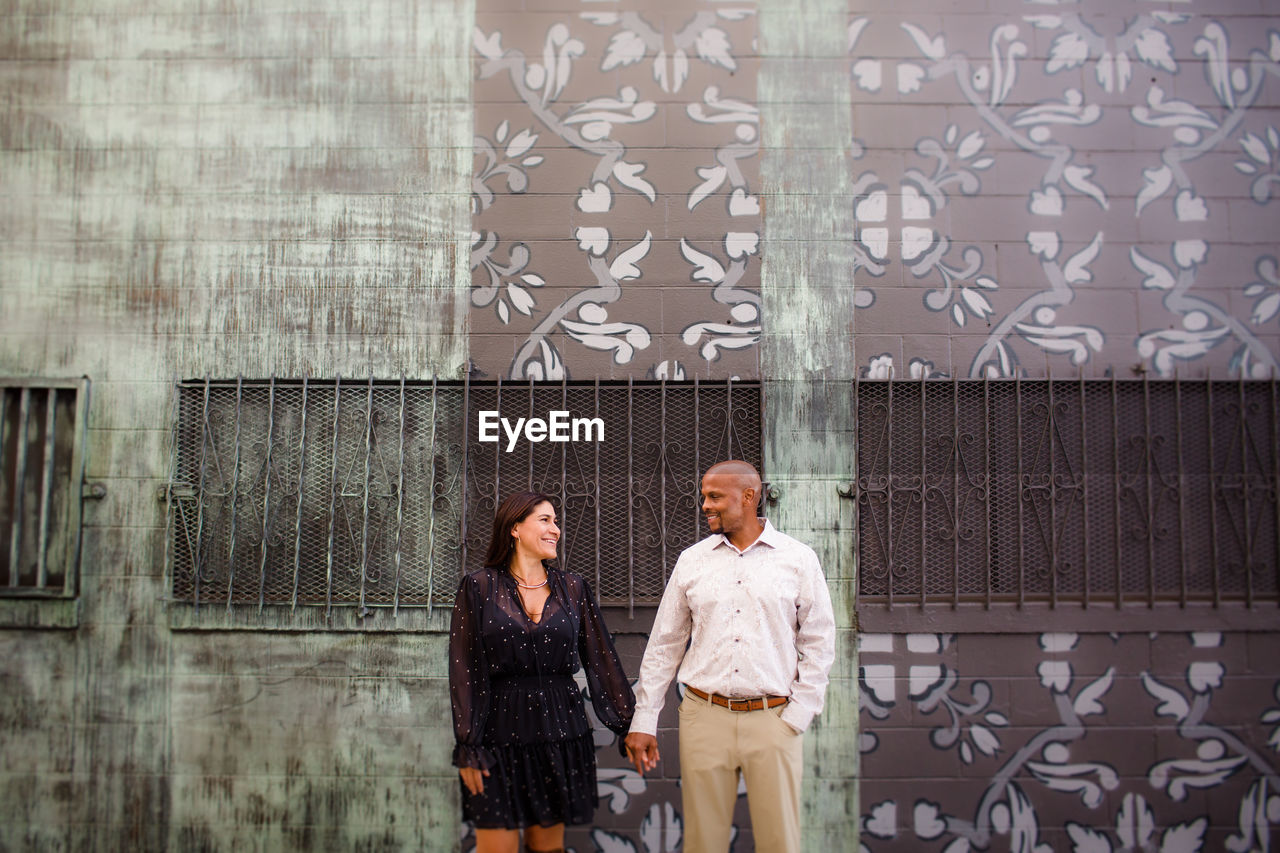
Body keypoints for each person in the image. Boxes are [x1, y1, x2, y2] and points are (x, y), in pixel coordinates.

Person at [623, 460, 836, 853]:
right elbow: (665, 644)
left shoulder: (798, 559)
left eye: (715, 496)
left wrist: (799, 713)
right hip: (704, 718)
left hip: (775, 719)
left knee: (780, 843)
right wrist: (645, 719)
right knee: (704, 843)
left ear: (749, 496)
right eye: (704, 496)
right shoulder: (693, 560)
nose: (705, 505)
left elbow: (819, 641)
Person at [450, 491, 636, 853]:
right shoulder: (479, 587)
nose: (556, 529)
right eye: (545, 520)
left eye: (556, 521)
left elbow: (602, 659)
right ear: (515, 528)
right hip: (496, 736)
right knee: (496, 848)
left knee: (547, 847)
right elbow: (465, 671)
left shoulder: (573, 588)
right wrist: (468, 745)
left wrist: (627, 725)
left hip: (560, 731)